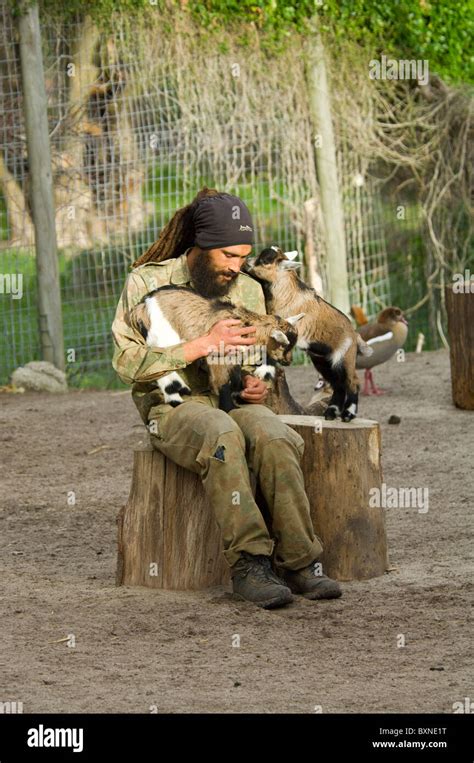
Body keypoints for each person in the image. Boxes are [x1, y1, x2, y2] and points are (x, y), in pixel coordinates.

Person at [111, 187, 342, 609]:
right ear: (202, 246)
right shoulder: (146, 281)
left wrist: (260, 382)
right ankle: (250, 564)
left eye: (243, 256)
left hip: (232, 399)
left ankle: (301, 561)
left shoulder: (248, 289)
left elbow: (259, 362)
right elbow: (125, 362)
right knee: (221, 435)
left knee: (276, 438)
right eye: (229, 257)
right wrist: (199, 346)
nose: (238, 267)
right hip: (171, 405)